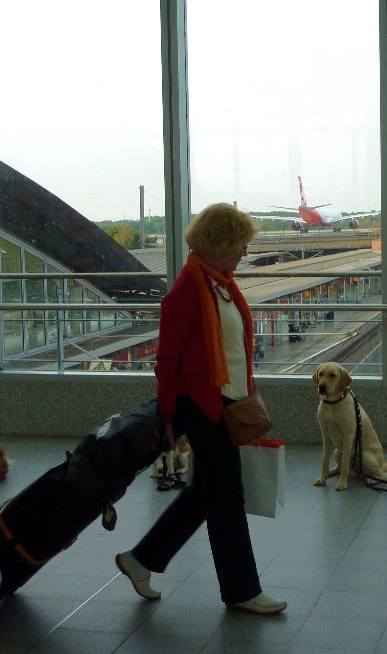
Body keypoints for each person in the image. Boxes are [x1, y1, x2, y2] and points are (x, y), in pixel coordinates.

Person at [115, 203, 286, 615]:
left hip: (224, 401)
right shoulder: (187, 292)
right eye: (240, 244)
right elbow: (167, 360)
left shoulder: (221, 284)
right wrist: (168, 417)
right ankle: (242, 590)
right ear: (220, 243)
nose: (245, 252)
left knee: (203, 495)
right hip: (201, 407)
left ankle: (140, 560)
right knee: (227, 497)